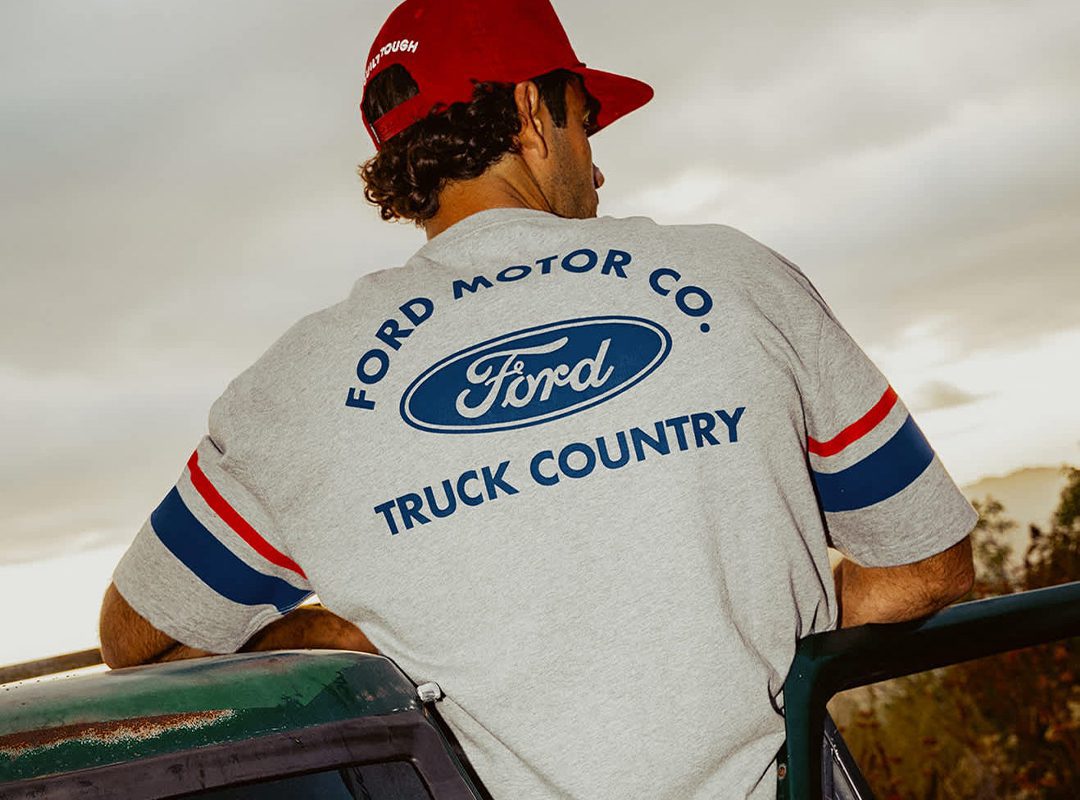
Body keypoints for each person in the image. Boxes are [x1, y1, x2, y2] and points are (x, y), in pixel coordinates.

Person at [99, 0, 977, 797]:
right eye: (585, 121)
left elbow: (141, 642)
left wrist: (329, 639)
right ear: (530, 111)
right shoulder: (737, 277)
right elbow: (928, 566)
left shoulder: (290, 392)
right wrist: (777, 616)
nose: (597, 166)